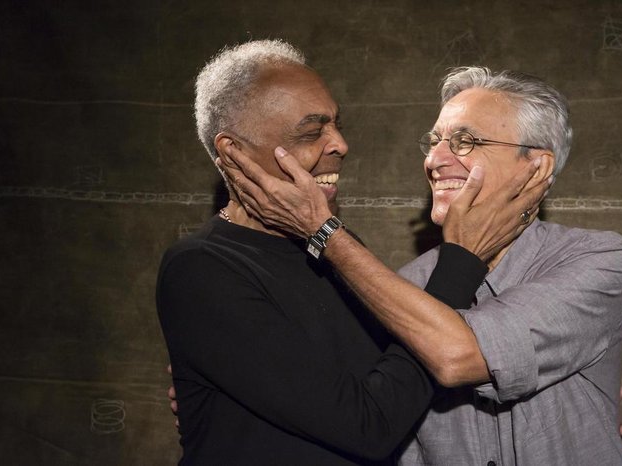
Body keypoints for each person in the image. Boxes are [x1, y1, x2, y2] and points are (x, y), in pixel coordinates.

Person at [224, 66, 622, 465]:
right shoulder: (402, 288)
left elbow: (459, 356)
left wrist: (321, 229)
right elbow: (332, 396)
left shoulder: (599, 261)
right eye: (434, 141)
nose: (435, 160)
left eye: (465, 141)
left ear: (536, 167)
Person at [156, 41, 548, 465]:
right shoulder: (201, 269)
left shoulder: (336, 247)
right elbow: (369, 425)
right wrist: (460, 258)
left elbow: (399, 385)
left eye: (336, 125)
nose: (339, 144)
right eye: (311, 132)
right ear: (234, 151)